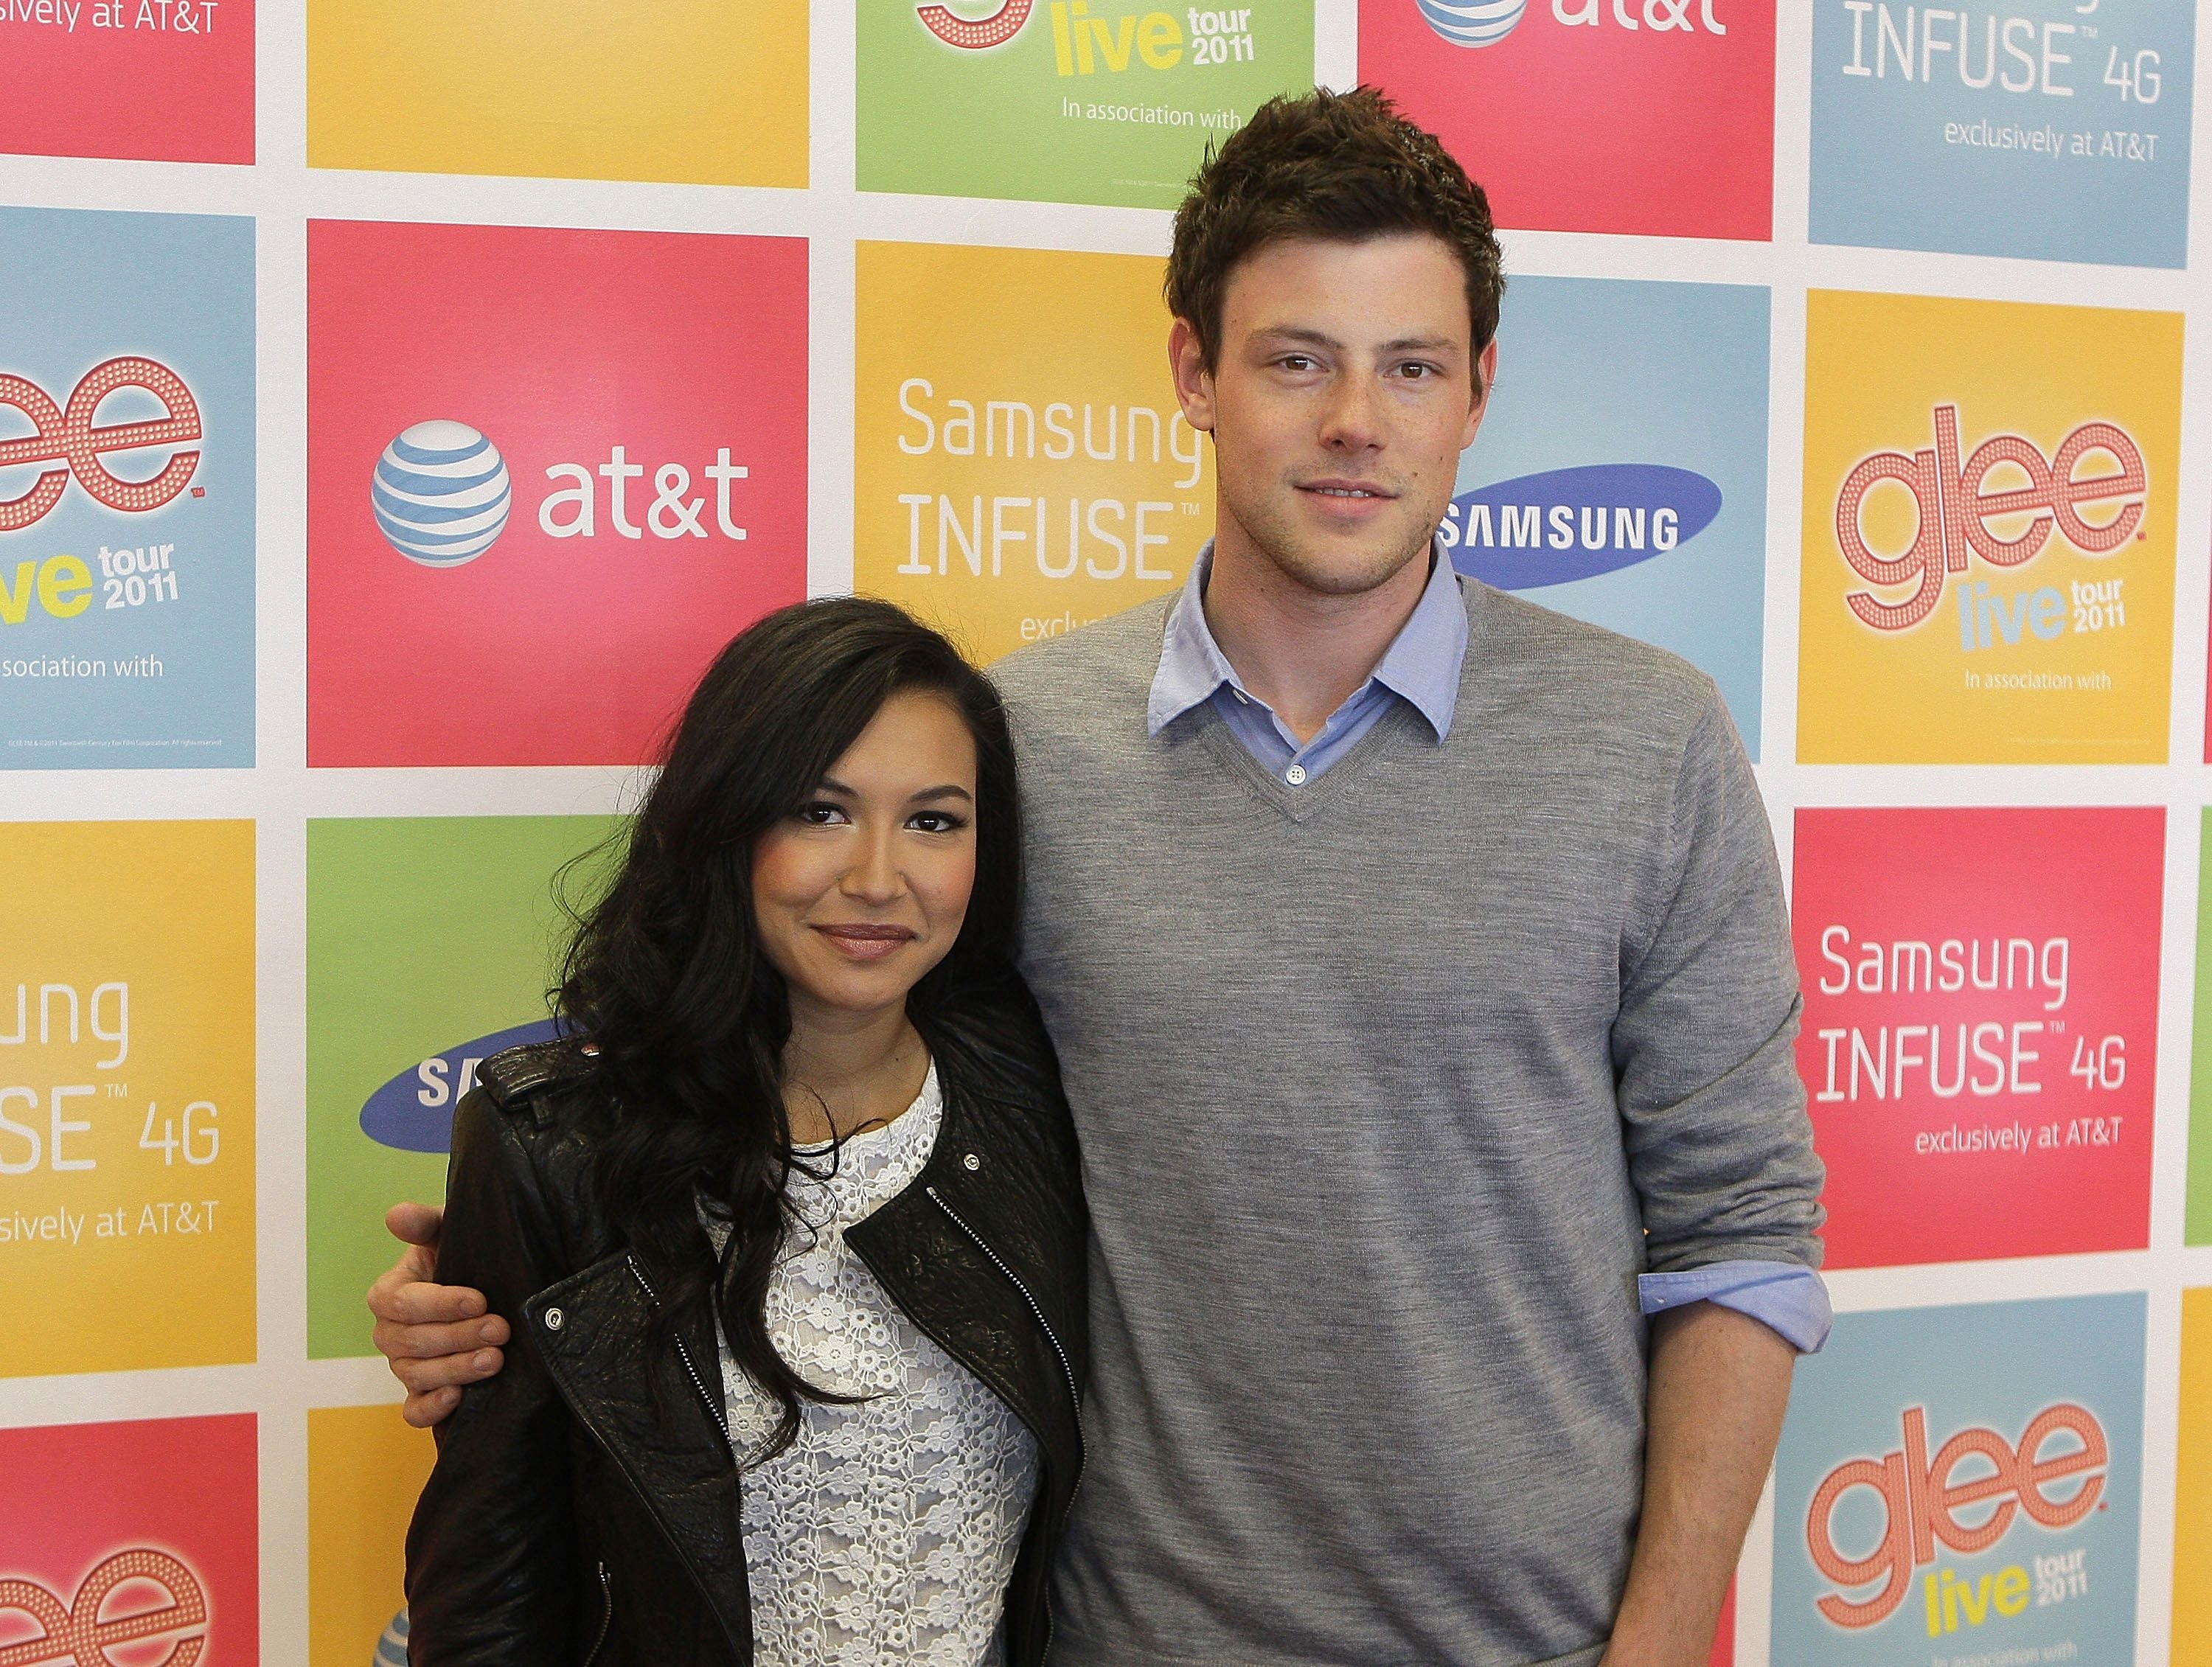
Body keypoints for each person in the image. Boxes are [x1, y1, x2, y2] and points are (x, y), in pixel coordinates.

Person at [373, 87, 1827, 1667]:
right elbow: (814, 1084)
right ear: (1196, 374)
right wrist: (532, 1281)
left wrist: (1670, 1628)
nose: (1357, 419)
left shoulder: (1649, 737)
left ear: (1478, 390)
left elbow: (1739, 1225)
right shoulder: (1014, 754)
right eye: (1296, 359)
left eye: (1410, 366)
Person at [399, 597, 1086, 1666]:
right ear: (728, 822)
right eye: (820, 810)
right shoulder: (556, 1145)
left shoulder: (1032, 1086)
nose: (876, 876)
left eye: (934, 819)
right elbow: (493, 1591)